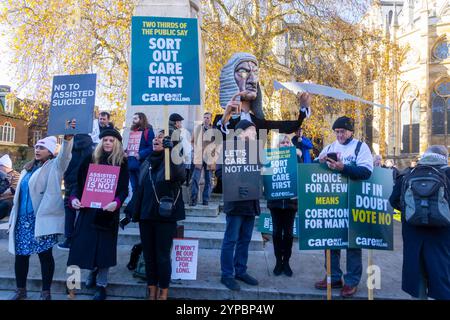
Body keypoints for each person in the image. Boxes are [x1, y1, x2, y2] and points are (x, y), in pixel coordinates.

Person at [8, 133, 74, 300]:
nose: (37, 149)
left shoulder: (55, 166)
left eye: (42, 147)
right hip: (22, 220)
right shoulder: (27, 168)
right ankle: (20, 290)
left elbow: (65, 156)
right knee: (21, 256)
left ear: (50, 151)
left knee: (45, 256)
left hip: (41, 219)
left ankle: (46, 292)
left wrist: (67, 140)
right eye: (36, 146)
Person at [314, 116, 373, 298]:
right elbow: (315, 167)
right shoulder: (331, 147)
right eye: (337, 132)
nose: (339, 135)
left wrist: (343, 168)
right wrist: (320, 161)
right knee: (330, 241)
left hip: (353, 202)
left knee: (353, 243)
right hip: (333, 202)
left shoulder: (360, 147)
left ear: (350, 132)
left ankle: (351, 281)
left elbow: (366, 172)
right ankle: (333, 277)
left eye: (342, 132)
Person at [67, 128, 129, 300]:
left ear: (116, 143)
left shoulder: (121, 162)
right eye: (105, 140)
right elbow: (77, 184)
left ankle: (101, 285)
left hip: (108, 212)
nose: (108, 143)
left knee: (104, 251)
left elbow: (123, 190)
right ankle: (73, 285)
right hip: (87, 211)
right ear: (101, 142)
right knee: (80, 248)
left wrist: (116, 203)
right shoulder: (90, 159)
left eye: (111, 140)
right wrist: (73, 199)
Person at [126, 130, 186, 300]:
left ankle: (163, 291)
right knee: (149, 255)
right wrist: (130, 212)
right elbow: (140, 190)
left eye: (161, 137)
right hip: (146, 216)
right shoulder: (146, 162)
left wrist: (172, 150)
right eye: (155, 137)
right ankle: (151, 289)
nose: (156, 139)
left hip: (164, 217)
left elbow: (180, 175)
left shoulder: (173, 160)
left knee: (162, 256)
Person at [389, 145, 450, 300]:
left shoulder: (407, 174)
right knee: (442, 277)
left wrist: (412, 211)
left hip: (413, 234)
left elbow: (393, 200)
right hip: (442, 236)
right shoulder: (447, 173)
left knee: (417, 278)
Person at [267, 135, 299, 277]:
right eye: (283, 142)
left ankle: (286, 262)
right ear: (278, 145)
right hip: (275, 203)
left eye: (287, 142)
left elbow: (301, 175)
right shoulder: (270, 158)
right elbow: (267, 179)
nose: (285, 144)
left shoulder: (296, 158)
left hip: (291, 203)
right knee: (276, 232)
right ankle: (278, 262)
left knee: (288, 234)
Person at [58, 133, 94, 250]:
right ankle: (83, 238)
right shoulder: (92, 148)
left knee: (69, 210)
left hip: (71, 180)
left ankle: (69, 239)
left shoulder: (69, 145)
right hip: (84, 181)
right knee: (85, 211)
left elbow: (63, 162)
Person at [190, 112, 215, 206]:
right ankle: (193, 200)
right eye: (204, 117)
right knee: (195, 179)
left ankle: (206, 200)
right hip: (198, 157)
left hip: (210, 158)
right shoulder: (197, 129)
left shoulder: (214, 129)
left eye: (208, 118)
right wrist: (196, 149)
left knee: (208, 180)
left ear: (211, 119)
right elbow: (192, 141)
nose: (206, 119)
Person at [126, 112, 155, 192]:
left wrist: (140, 154)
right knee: (134, 187)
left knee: (141, 186)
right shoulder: (133, 131)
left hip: (141, 164)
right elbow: (130, 145)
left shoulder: (148, 131)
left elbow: (151, 147)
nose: (133, 121)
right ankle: (135, 203)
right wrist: (126, 152)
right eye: (133, 119)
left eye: (135, 119)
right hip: (131, 163)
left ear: (141, 119)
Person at [0, 154, 20, 220]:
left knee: (5, 204)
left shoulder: (16, 175)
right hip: (2, 198)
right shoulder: (2, 175)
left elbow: (13, 190)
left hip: (9, 200)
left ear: (4, 166)